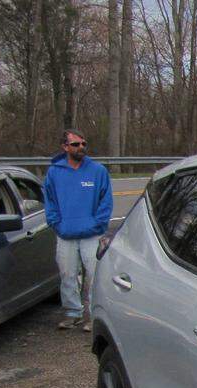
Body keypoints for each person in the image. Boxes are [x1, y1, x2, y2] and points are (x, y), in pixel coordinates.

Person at [44, 129, 112, 331]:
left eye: (83, 144)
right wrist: (57, 224)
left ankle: (93, 315)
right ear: (65, 147)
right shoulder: (55, 172)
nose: (80, 147)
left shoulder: (97, 171)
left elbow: (105, 202)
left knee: (94, 275)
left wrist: (97, 225)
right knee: (67, 275)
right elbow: (50, 203)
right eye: (75, 144)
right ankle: (72, 312)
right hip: (66, 234)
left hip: (92, 235)